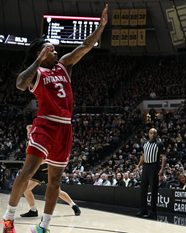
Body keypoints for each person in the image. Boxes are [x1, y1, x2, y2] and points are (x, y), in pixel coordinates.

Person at [2, 4, 108, 233]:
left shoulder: (64, 66)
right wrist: (38, 60)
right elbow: (20, 83)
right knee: (27, 171)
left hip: (65, 129)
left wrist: (100, 28)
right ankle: (8, 218)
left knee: (56, 181)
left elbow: (84, 46)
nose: (56, 52)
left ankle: (44, 226)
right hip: (45, 124)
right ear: (42, 52)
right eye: (52, 49)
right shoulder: (37, 73)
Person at [135, 128, 166, 219]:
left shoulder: (159, 144)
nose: (152, 134)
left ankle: (153, 212)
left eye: (154, 133)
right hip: (145, 167)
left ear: (156, 135)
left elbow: (164, 157)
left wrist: (161, 169)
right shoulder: (145, 144)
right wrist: (138, 165)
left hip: (154, 167)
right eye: (151, 133)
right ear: (148, 134)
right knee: (143, 189)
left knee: (153, 190)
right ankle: (143, 209)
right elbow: (143, 155)